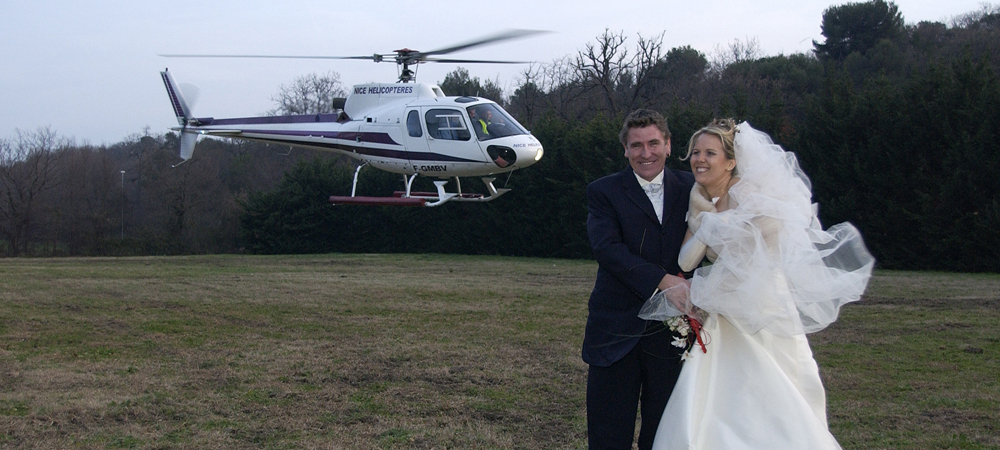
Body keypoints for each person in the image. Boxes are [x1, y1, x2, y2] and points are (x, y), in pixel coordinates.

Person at [643, 119, 874, 449]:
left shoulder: (749, 194)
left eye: (710, 152)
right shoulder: (697, 196)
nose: (700, 159)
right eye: (695, 152)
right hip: (723, 307)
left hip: (761, 302)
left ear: (731, 161)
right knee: (721, 389)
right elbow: (685, 262)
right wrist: (706, 224)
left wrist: (718, 226)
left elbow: (767, 245)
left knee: (771, 384)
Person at [583, 109, 695, 450]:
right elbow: (608, 250)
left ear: (668, 144)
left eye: (653, 143)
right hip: (616, 327)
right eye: (636, 146)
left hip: (672, 329)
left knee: (664, 430)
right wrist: (665, 281)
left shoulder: (692, 187)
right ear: (625, 149)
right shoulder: (603, 191)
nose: (645, 153)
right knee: (608, 431)